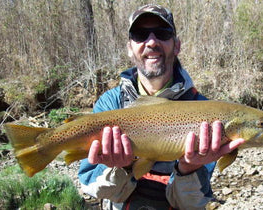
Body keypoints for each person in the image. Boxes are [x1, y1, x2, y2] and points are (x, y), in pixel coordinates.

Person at [78, 4, 245, 210]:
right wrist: (122, 168)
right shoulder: (111, 104)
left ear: (176, 45)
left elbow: (191, 204)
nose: (151, 42)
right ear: (130, 48)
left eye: (162, 33)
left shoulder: (206, 114)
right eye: (140, 35)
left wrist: (189, 168)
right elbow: (93, 187)